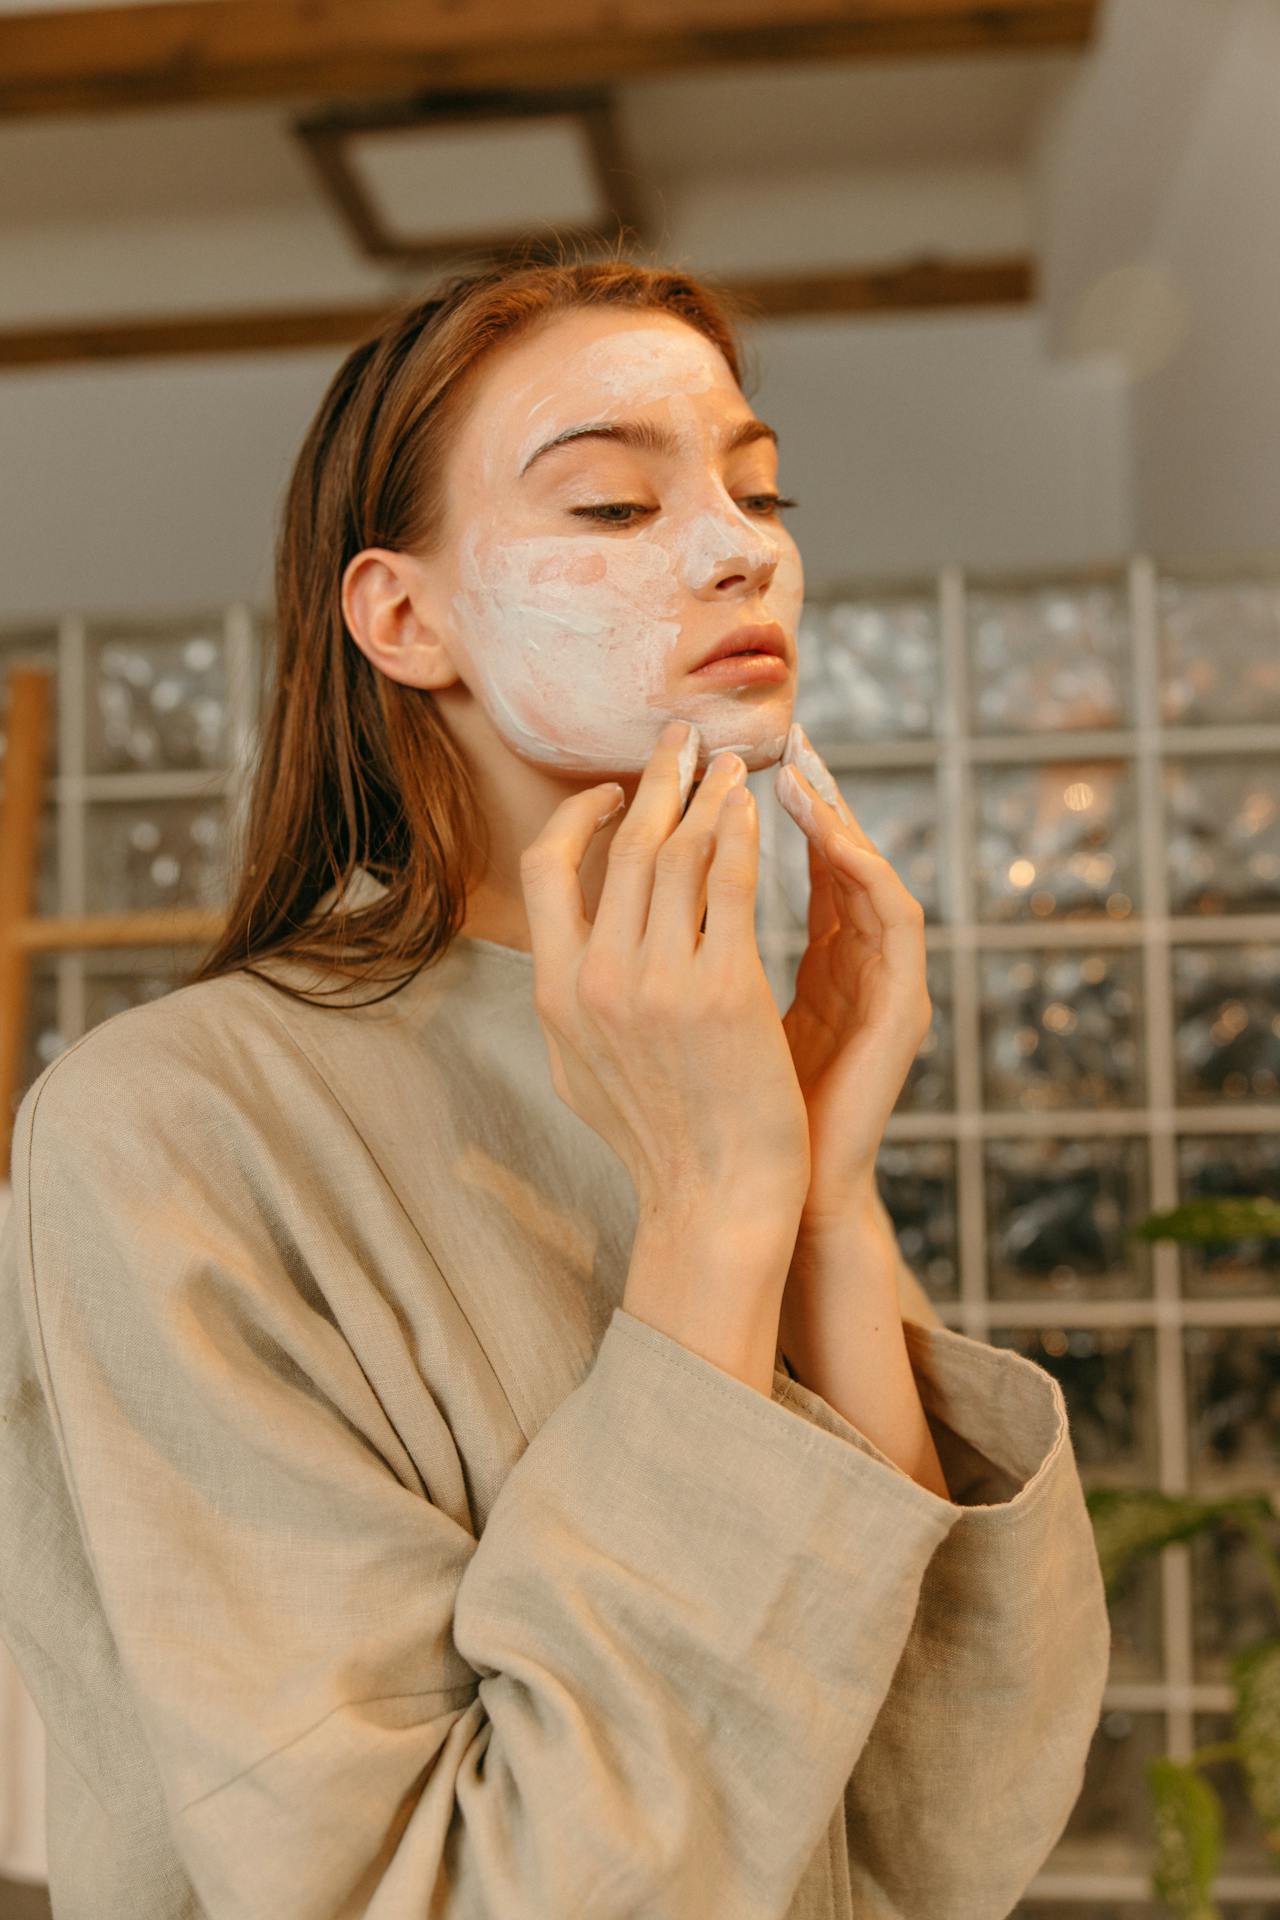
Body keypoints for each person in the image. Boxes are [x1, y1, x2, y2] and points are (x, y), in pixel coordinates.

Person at [0, 251, 1110, 1919]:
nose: (745, 546)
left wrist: (819, 1205)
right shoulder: (165, 1128)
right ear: (403, 616)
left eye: (758, 486)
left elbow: (946, 1832)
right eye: (608, 505)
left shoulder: (710, 1052)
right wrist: (717, 1210)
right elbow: (446, 1892)